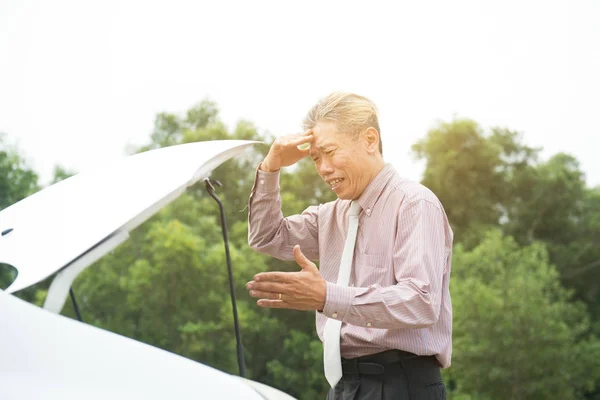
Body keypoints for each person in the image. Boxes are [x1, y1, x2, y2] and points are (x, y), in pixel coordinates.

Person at [245, 92, 453, 400]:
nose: (324, 168)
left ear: (370, 139)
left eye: (330, 152)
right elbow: (266, 237)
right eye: (316, 158)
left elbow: (419, 302)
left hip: (402, 386)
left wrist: (327, 296)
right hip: (344, 387)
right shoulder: (330, 216)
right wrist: (270, 167)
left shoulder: (414, 204)